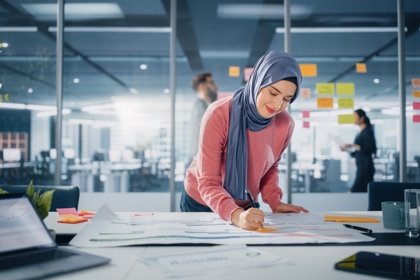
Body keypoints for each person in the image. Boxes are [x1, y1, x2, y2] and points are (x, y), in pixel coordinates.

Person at [181, 50, 308, 230]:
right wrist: (236, 215)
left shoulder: (285, 124)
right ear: (258, 82)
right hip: (201, 201)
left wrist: (274, 201)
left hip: (244, 203)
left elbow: (270, 167)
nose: (278, 105)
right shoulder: (218, 114)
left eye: (287, 99)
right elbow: (208, 181)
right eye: (273, 93)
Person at [341, 109, 377, 192]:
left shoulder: (367, 131)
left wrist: (353, 145)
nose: (353, 119)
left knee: (360, 188)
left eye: (355, 117)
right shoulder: (359, 132)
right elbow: (357, 153)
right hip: (361, 164)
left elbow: (369, 149)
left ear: (362, 118)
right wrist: (347, 149)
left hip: (365, 166)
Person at [189, 73, 218, 163]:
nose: (215, 86)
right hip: (200, 163)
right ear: (202, 86)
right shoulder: (200, 109)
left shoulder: (203, 107)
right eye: (211, 83)